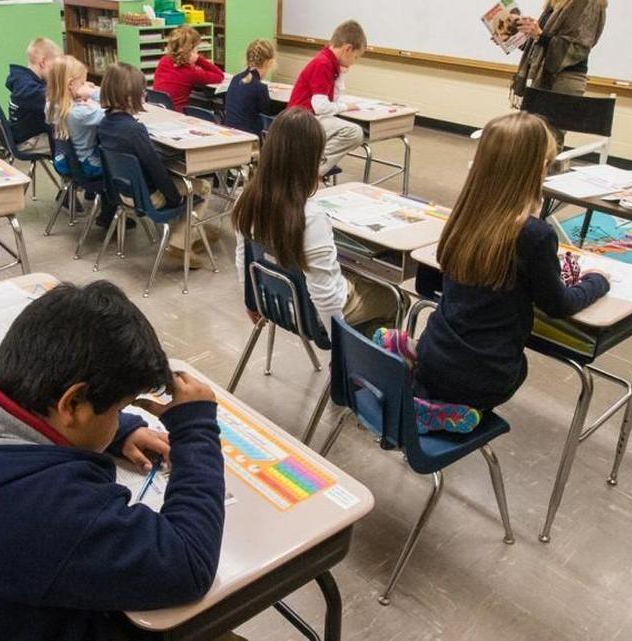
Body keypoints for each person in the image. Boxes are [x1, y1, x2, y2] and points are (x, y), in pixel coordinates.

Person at [0, 281, 225, 641]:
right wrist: (195, 427)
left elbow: (10, 413)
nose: (118, 417)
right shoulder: (43, 505)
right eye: (118, 409)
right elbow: (188, 564)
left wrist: (117, 430)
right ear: (73, 404)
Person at [405, 112, 610, 430]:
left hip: (434, 353)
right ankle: (438, 411)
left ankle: (422, 395)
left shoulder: (465, 213)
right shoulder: (534, 234)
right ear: (536, 169)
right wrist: (597, 282)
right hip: (487, 376)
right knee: (515, 367)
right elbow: (558, 305)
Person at [232, 108, 397, 337]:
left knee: (353, 277)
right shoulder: (309, 217)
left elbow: (243, 256)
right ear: (312, 159)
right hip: (310, 315)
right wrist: (339, 344)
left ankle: (358, 361)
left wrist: (250, 300)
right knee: (394, 298)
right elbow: (325, 295)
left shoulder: (246, 198)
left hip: (271, 301)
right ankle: (354, 363)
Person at [98, 62, 213, 263]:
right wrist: (174, 198)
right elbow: (156, 169)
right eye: (142, 92)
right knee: (202, 187)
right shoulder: (135, 130)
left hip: (124, 194)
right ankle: (180, 240)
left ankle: (190, 232)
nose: (145, 97)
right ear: (129, 96)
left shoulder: (104, 124)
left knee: (180, 181)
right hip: (149, 198)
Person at [512, 0, 608, 144]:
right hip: (543, 78)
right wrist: (510, 37)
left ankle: (547, 167)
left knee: (550, 140)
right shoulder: (556, 3)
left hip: (564, 79)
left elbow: (578, 48)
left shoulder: (590, 3)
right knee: (530, 137)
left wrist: (539, 34)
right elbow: (541, 45)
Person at [287, 20, 367, 177]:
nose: (354, 62)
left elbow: (333, 99)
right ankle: (311, 172)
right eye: (356, 57)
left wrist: (342, 73)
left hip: (308, 118)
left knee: (347, 129)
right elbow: (321, 107)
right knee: (354, 133)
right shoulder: (323, 64)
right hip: (301, 121)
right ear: (348, 49)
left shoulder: (329, 61)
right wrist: (345, 107)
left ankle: (309, 166)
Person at [47, 55, 104, 178]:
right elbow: (114, 109)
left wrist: (79, 92)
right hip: (89, 166)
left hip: (63, 161)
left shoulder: (50, 105)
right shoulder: (81, 113)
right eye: (82, 82)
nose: (85, 85)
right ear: (71, 84)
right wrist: (92, 93)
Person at [152, 25, 225, 112]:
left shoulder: (164, 60)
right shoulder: (191, 72)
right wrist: (199, 60)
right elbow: (219, 76)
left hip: (159, 109)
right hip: (178, 114)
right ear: (191, 50)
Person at [7, 37, 61, 153]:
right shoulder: (30, 90)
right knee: (74, 143)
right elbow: (55, 101)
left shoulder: (22, 80)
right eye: (55, 66)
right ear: (43, 62)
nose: (57, 71)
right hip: (30, 141)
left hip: (24, 134)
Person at [224, 39, 276, 136]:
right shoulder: (260, 88)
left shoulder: (235, 79)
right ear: (269, 63)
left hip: (229, 133)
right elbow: (266, 114)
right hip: (248, 138)